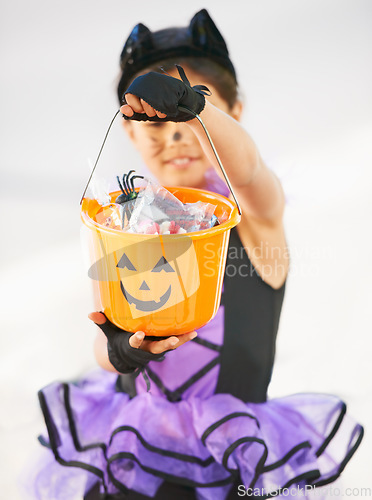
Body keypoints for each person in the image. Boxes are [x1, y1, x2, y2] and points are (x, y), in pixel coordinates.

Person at [32, 9, 363, 500]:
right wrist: (121, 351)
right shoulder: (125, 225)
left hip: (232, 456)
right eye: (156, 126)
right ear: (130, 132)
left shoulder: (255, 218)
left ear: (235, 113)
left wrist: (197, 108)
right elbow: (104, 334)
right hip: (132, 450)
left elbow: (248, 171)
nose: (176, 137)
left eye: (190, 118)